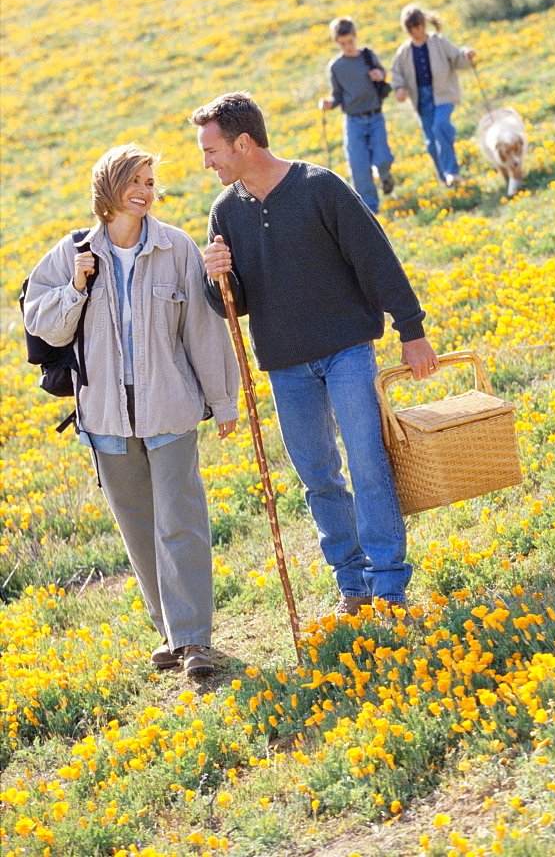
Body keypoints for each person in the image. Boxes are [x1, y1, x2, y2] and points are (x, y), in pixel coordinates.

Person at [191, 91, 439, 621]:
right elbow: (235, 304)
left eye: (211, 151)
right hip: (286, 365)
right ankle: (352, 583)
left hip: (347, 351)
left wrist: (411, 329)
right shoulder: (224, 212)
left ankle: (389, 587)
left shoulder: (318, 187)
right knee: (319, 477)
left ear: (242, 143)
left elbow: (376, 259)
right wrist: (217, 278)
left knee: (368, 463)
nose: (205, 162)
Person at [23, 144, 240, 677]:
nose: (146, 191)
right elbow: (41, 324)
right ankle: (170, 631)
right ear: (109, 189)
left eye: (150, 181)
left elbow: (203, 331)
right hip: (104, 419)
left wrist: (224, 399)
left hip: (170, 410)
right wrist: (75, 286)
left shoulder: (177, 249)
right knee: (138, 528)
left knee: (181, 523)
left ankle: (194, 642)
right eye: (135, 181)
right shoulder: (72, 251)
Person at [391, 4, 476, 186]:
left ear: (425, 24)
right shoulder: (404, 52)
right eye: (412, 29)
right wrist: (399, 88)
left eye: (419, 27)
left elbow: (457, 58)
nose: (417, 32)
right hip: (421, 99)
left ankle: (452, 171)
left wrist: (467, 54)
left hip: (444, 93)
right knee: (430, 142)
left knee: (441, 125)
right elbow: (397, 73)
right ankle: (444, 177)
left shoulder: (439, 42)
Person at [318, 16, 394, 214]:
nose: (348, 46)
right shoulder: (336, 67)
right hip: (353, 121)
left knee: (383, 157)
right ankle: (371, 209)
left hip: (375, 116)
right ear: (336, 42)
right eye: (342, 43)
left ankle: (385, 175)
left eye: (350, 41)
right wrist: (329, 103)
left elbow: (382, 73)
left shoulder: (368, 56)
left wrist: (380, 74)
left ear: (355, 36)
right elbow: (337, 95)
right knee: (359, 166)